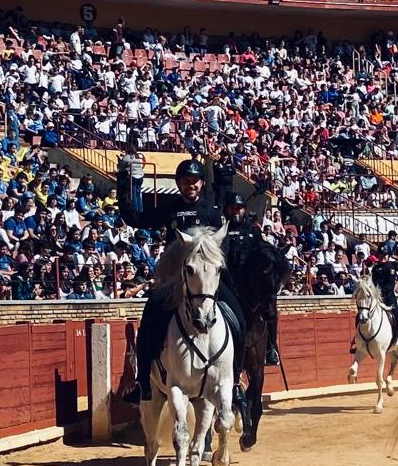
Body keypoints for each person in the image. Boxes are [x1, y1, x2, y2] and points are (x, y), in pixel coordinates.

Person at [117, 154, 246, 410]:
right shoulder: (170, 208)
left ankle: (235, 381)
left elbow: (224, 242)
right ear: (179, 183)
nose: (192, 185)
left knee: (239, 318)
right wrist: (125, 183)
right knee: (151, 316)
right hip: (175, 280)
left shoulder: (212, 212)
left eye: (196, 181)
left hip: (207, 282)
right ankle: (144, 380)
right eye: (187, 181)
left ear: (201, 183)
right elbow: (135, 218)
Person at [224, 192, 282, 366]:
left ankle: (271, 347)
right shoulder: (223, 230)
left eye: (239, 208)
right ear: (227, 210)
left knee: (271, 308)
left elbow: (263, 249)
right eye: (233, 208)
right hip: (229, 282)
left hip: (251, 283)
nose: (236, 212)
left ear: (244, 210)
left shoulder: (253, 229)